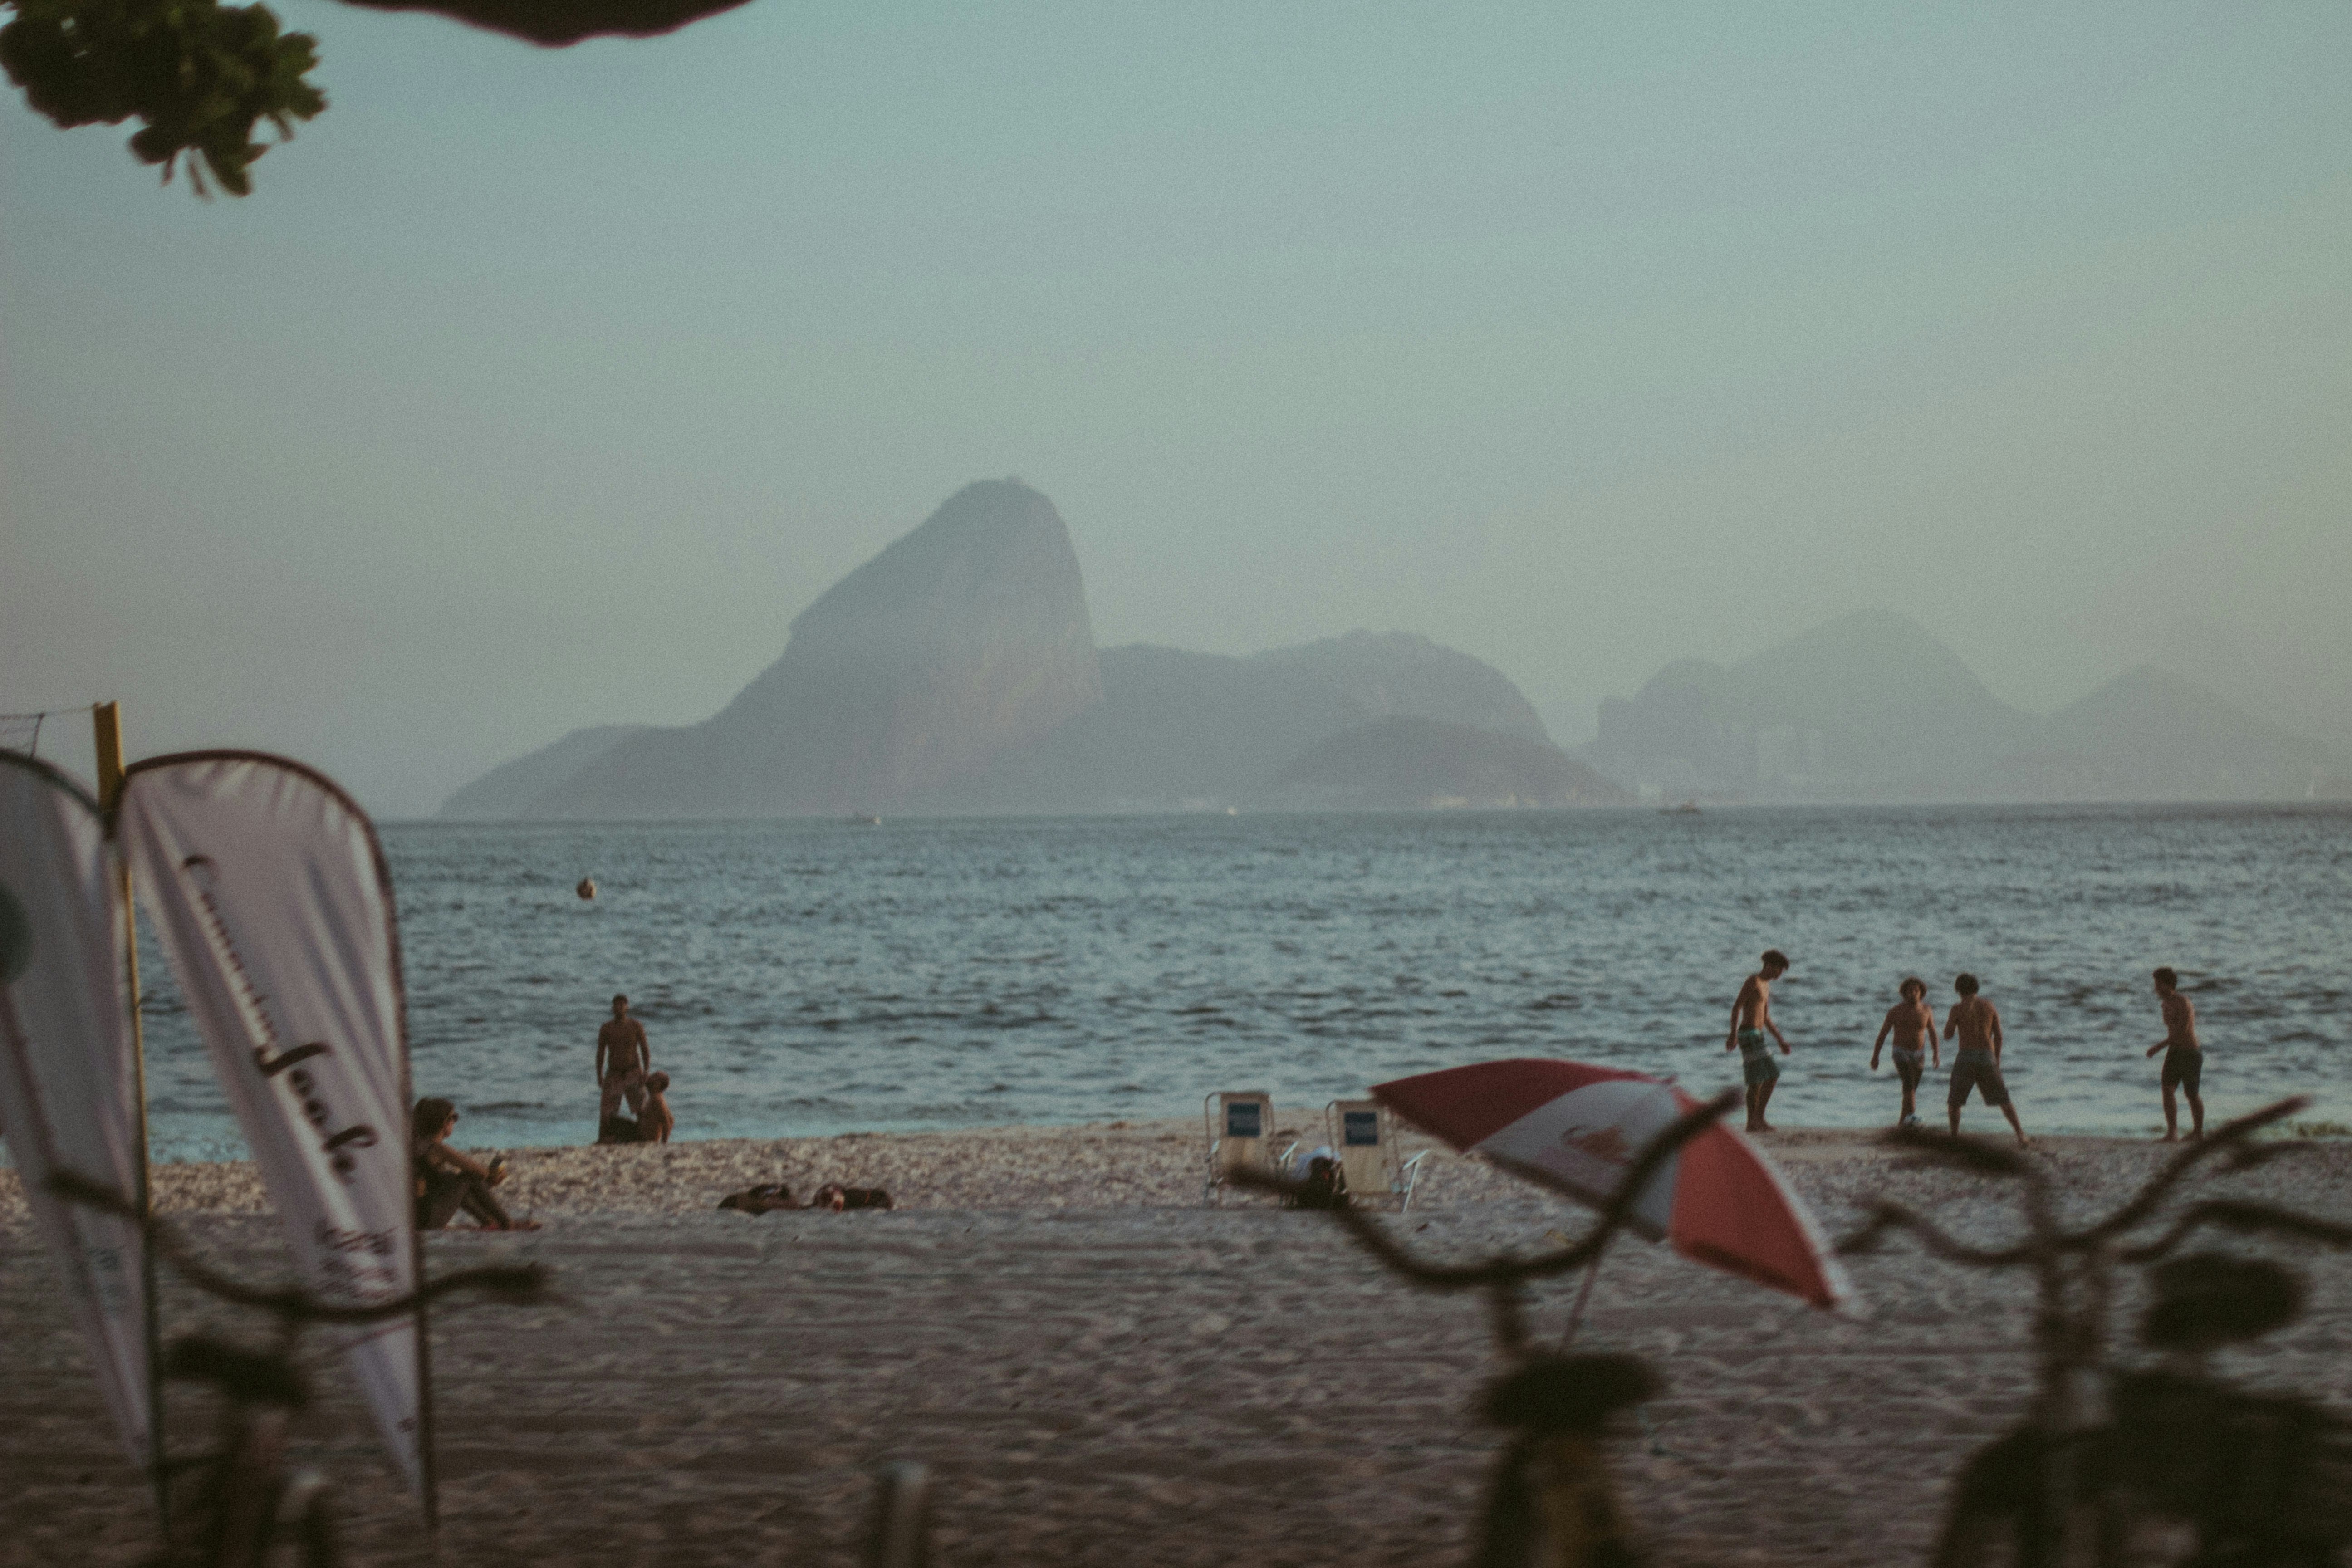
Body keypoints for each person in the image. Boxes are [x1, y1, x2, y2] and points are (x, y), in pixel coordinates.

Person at [411, 1098, 536, 1230]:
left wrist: (486, 1181)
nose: (455, 1122)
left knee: (452, 1179)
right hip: (428, 1218)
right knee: (468, 1177)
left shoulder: (418, 1146)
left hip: (416, 1217)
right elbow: (474, 1169)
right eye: (454, 1117)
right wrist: (492, 1177)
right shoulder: (438, 1149)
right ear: (443, 1122)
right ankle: (507, 1223)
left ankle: (489, 1221)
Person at [1944, 974, 2027, 1147]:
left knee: (1954, 1102)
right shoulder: (1989, 1006)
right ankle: (2020, 1134)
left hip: (1966, 1055)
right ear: (1976, 988)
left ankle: (1954, 1137)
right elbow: (1998, 1035)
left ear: (1958, 990)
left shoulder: (1957, 1009)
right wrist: (1997, 1059)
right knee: (2004, 1099)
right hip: (1987, 1056)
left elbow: (1948, 1035)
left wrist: (1951, 1026)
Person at [1725, 950, 1793, 1133]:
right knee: (1760, 1078)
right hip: (1748, 1034)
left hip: (1758, 1034)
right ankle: (1753, 1123)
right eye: (1779, 970)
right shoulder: (1753, 981)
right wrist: (1732, 1034)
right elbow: (1737, 1007)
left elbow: (1766, 1018)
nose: (1779, 974)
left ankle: (1758, 1120)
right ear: (1769, 966)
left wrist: (1781, 1041)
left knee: (1770, 1076)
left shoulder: (1765, 986)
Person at [1870, 977, 1940, 1128]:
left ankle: (1902, 1123)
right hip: (1900, 1052)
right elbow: (1883, 1034)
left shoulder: (1926, 1010)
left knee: (1911, 1089)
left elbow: (1933, 1033)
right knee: (1909, 1084)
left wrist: (1936, 1054)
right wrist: (1876, 1056)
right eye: (1910, 991)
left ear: (1921, 993)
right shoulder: (1896, 1011)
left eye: (1916, 991)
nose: (1913, 994)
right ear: (1904, 993)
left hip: (1920, 1054)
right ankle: (1913, 1117)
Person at [2145, 966, 2204, 1141]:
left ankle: (2198, 1133)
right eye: (2155, 984)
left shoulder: (2183, 1003)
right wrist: (2165, 1046)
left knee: (2191, 1094)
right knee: (2167, 1089)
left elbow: (2181, 1031)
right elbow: (2172, 1031)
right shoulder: (2165, 1004)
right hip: (2175, 1051)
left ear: (2169, 985)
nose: (2156, 988)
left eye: (2159, 984)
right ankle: (2172, 1132)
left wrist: (2158, 1047)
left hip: (2191, 1052)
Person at [596, 993, 651, 1129]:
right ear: (612, 1008)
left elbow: (645, 1049)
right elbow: (601, 1053)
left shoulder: (635, 1026)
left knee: (641, 1109)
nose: (619, 1008)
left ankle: (646, 1136)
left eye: (622, 1005)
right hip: (614, 1074)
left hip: (633, 1072)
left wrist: (646, 1070)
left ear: (627, 1007)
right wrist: (600, 1075)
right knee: (607, 1112)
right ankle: (606, 1139)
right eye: (616, 1005)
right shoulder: (607, 1028)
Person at [637, 1071, 675, 1144]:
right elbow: (671, 1120)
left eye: (654, 1077)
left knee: (613, 1123)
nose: (650, 1077)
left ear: (658, 1085)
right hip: (642, 1135)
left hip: (644, 1139)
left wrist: (663, 1144)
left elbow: (667, 1123)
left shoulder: (657, 1100)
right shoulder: (656, 1097)